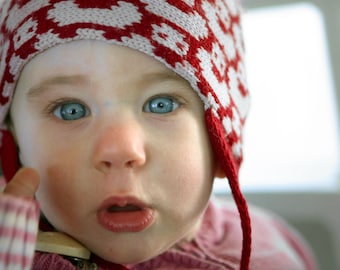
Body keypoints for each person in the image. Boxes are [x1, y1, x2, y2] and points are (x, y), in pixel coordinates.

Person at [0, 0, 318, 269]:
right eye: (70, 109)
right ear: (13, 144)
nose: (120, 151)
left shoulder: (274, 250)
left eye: (161, 104)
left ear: (222, 140)